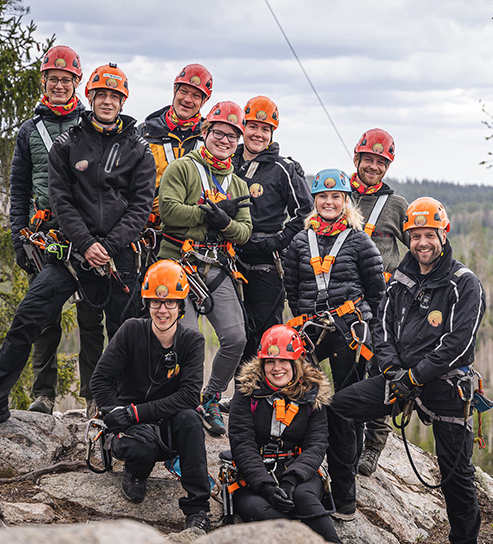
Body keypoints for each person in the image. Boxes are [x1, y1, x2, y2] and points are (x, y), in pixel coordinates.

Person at [0, 63, 156, 433]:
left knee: (126, 333)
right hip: (70, 254)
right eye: (101, 95)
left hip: (118, 256)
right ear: (89, 98)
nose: (107, 101)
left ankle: (127, 411)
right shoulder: (67, 144)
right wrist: (88, 244)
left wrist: (107, 247)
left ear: (123, 101)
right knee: (28, 319)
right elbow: (60, 201)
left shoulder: (138, 149)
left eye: (115, 96)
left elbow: (141, 206)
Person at [325, 197, 486, 542]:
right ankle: (344, 499)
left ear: (443, 235)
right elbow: (382, 330)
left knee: (456, 474)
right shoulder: (399, 281)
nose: (422, 243)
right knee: (338, 408)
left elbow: (457, 344)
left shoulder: (463, 283)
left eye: (430, 234)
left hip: (444, 385)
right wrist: (394, 371)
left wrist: (414, 377)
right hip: (399, 379)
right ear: (407, 238)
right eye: (415, 236)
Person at [9, 44, 104, 418]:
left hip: (87, 232)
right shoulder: (30, 131)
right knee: (45, 315)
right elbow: (19, 188)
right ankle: (43, 395)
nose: (60, 85)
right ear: (44, 81)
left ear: (77, 83)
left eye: (67, 80)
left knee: (90, 319)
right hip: (44, 234)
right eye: (54, 79)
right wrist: (19, 235)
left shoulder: (90, 126)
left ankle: (94, 394)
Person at [90, 260, 212, 533]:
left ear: (181, 306)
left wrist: (136, 412)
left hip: (167, 425)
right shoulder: (131, 330)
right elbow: (100, 380)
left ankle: (198, 510)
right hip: (131, 427)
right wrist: (113, 412)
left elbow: (190, 396)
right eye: (156, 303)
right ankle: (137, 471)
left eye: (170, 303)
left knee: (191, 419)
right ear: (147, 303)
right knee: (139, 449)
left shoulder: (192, 341)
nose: (163, 309)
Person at [157, 100, 252, 436]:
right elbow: (168, 211)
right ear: (206, 132)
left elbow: (244, 231)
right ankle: (182, 402)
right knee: (189, 337)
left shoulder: (237, 184)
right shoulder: (183, 168)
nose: (224, 140)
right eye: (219, 133)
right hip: (178, 264)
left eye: (231, 136)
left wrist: (224, 221)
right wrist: (204, 214)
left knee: (235, 337)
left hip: (216, 265)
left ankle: (210, 396)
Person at [228, 324, 341, 543]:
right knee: (261, 510)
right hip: (255, 476)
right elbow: (242, 443)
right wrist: (266, 487)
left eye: (284, 361)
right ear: (262, 363)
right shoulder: (247, 393)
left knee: (304, 498)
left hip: (298, 471)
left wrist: (291, 479)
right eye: (270, 362)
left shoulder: (312, 395)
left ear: (296, 362)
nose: (276, 368)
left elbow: (317, 444)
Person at [283, 168, 385, 394]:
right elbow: (292, 290)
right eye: (323, 197)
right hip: (311, 327)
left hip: (349, 329)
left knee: (349, 398)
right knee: (303, 394)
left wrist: (371, 328)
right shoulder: (300, 241)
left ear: (346, 201)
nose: (329, 202)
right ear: (315, 200)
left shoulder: (360, 241)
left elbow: (376, 291)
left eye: (335, 196)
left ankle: (350, 431)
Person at [232, 96, 312, 365]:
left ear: (272, 133)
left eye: (265, 129)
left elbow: (307, 211)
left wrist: (280, 240)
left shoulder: (283, 168)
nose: (258, 134)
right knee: (236, 334)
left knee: (266, 332)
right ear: (243, 126)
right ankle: (238, 401)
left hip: (265, 261)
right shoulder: (227, 162)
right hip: (229, 258)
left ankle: (265, 397)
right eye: (253, 126)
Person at [349, 128, 409, 476]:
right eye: (368, 159)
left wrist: (400, 280)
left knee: (380, 369)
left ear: (387, 165)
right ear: (356, 159)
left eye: (379, 161)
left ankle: (374, 445)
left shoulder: (396, 205)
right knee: (346, 370)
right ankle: (342, 434)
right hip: (343, 298)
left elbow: (417, 248)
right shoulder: (340, 196)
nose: (372, 166)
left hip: (383, 301)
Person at [138, 63, 213, 226]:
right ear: (174, 90)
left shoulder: (210, 140)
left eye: (196, 95)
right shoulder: (145, 133)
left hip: (191, 232)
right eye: (184, 91)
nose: (187, 100)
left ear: (205, 100)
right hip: (148, 231)